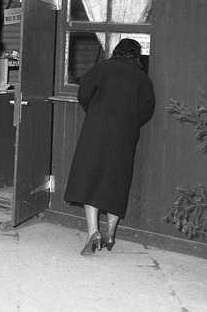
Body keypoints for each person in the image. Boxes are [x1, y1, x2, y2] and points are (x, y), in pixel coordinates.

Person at [64, 38, 155, 256]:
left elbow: (83, 93)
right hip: (125, 135)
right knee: (117, 181)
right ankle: (111, 233)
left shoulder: (102, 67)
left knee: (90, 178)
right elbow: (147, 110)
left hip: (96, 129)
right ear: (137, 55)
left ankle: (93, 233)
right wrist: (130, 122)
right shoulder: (143, 79)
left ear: (116, 51)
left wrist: (96, 111)